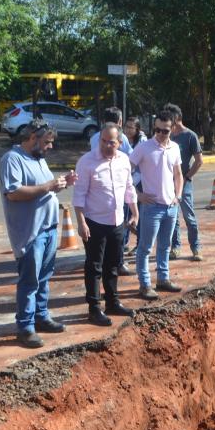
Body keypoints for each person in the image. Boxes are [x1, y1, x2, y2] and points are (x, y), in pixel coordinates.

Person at [0, 119, 78, 348]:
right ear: (33, 138)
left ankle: (41, 316)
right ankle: (25, 327)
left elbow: (46, 188)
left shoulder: (38, 159)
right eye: (47, 142)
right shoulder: (12, 159)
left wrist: (62, 183)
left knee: (44, 278)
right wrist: (49, 186)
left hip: (48, 228)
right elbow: (13, 193)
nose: (50, 147)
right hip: (29, 232)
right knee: (29, 281)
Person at [73, 123, 139, 325]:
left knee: (113, 265)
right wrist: (81, 222)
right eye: (103, 140)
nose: (106, 145)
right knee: (94, 267)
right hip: (94, 222)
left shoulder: (124, 161)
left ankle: (112, 302)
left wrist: (135, 213)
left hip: (117, 221)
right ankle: (94, 309)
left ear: (120, 143)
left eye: (111, 142)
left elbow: (129, 188)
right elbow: (79, 195)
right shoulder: (87, 162)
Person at [129, 110, 184, 300]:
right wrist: (138, 194)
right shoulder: (144, 148)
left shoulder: (175, 148)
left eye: (165, 131)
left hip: (171, 207)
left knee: (165, 246)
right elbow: (126, 172)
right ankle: (145, 285)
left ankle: (163, 279)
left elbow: (178, 175)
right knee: (145, 248)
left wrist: (177, 196)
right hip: (151, 208)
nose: (161, 134)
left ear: (173, 128)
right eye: (158, 130)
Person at [89, 107, 136, 276]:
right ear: (120, 121)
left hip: (98, 192)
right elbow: (131, 159)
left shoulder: (95, 137)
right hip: (117, 191)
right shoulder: (120, 137)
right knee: (119, 227)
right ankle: (118, 262)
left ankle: (103, 261)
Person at [162, 103, 204, 261]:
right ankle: (176, 247)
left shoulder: (190, 136)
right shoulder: (167, 135)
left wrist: (186, 177)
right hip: (168, 184)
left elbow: (199, 161)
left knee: (189, 217)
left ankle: (196, 247)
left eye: (169, 118)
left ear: (177, 118)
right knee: (173, 217)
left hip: (184, 183)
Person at [123, 117, 148, 255]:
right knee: (126, 213)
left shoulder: (143, 142)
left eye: (131, 127)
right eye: (126, 126)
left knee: (139, 215)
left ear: (137, 129)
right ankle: (124, 243)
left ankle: (140, 244)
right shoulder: (123, 141)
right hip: (127, 182)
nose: (128, 130)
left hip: (140, 183)